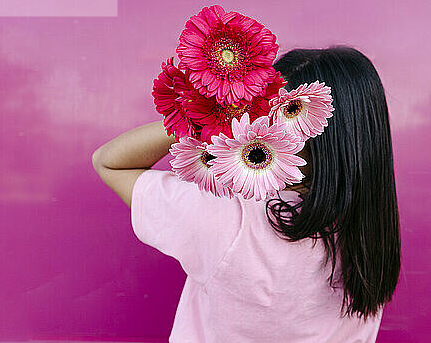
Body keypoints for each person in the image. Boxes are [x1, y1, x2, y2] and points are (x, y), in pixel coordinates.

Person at [92, 46, 401, 342]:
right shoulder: (374, 229)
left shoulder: (228, 213)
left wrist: (201, 119)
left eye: (269, 110)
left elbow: (109, 163)